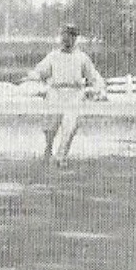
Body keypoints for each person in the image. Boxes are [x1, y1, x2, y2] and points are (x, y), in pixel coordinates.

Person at [23, 25, 107, 167]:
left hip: (74, 94)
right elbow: (40, 71)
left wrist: (99, 89)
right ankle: (48, 149)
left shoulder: (82, 58)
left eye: (71, 36)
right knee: (50, 126)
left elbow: (94, 77)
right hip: (55, 93)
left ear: (75, 38)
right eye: (65, 35)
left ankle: (61, 157)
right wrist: (33, 77)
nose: (67, 39)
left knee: (69, 126)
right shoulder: (53, 56)